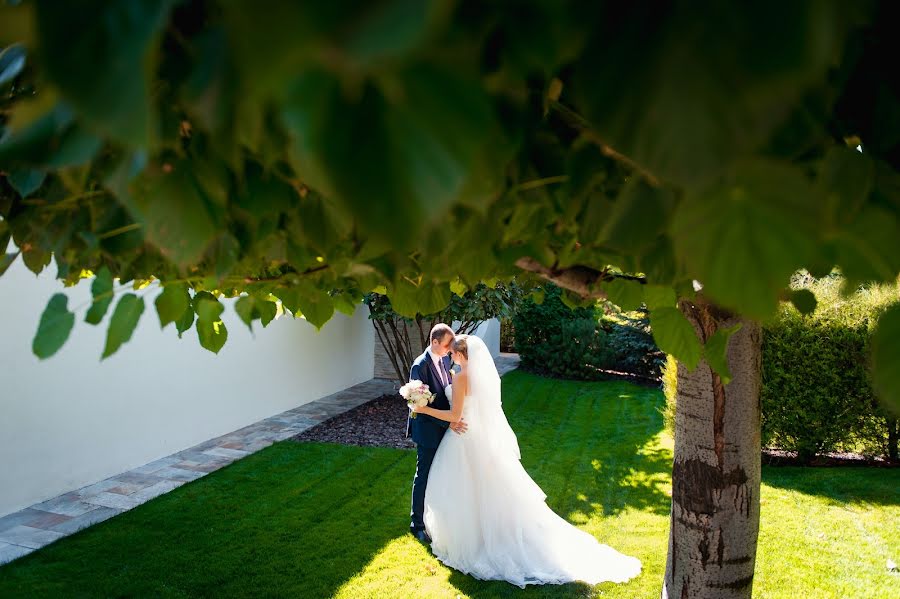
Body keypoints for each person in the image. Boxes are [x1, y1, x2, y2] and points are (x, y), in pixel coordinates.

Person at [412, 334, 642, 588]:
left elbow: (455, 414)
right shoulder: (478, 376)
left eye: (454, 353)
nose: (450, 357)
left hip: (464, 438)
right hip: (477, 436)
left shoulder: (461, 376)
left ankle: (472, 540)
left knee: (463, 489)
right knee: (485, 489)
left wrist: (423, 409)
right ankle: (486, 534)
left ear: (463, 355)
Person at [407, 323, 468, 544]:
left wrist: (452, 419)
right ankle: (417, 524)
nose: (449, 349)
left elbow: (444, 393)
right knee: (423, 475)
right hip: (427, 430)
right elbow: (416, 406)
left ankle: (437, 519)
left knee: (440, 475)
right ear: (434, 342)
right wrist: (449, 423)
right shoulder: (420, 366)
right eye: (446, 345)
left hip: (444, 425)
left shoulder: (444, 359)